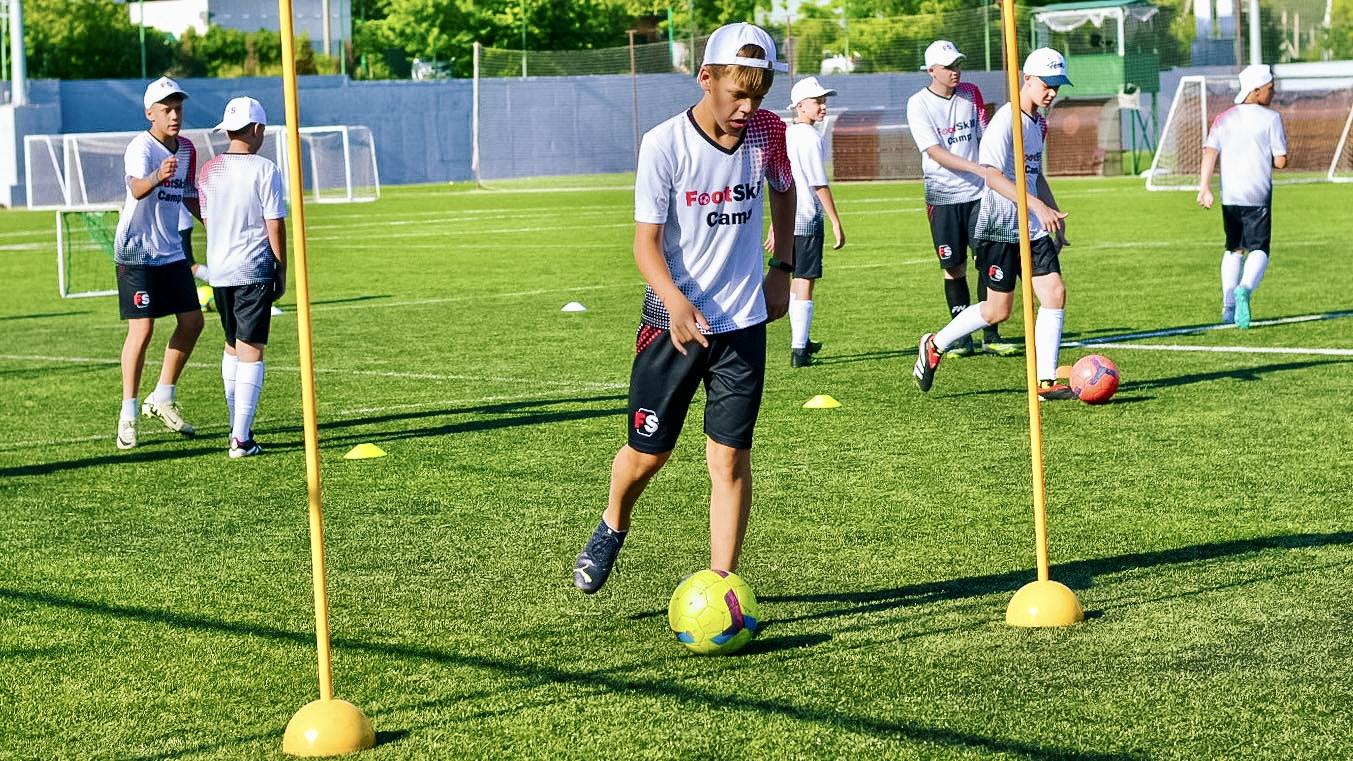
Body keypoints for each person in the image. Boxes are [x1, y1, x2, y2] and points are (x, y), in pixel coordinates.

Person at [572, 22, 795, 593]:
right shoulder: (664, 143)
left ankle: (723, 584)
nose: (748, 108)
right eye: (738, 94)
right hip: (671, 325)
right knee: (649, 455)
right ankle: (612, 523)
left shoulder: (770, 132)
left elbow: (784, 188)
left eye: (759, 95)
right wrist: (673, 300)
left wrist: (782, 268)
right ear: (706, 77)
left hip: (742, 324)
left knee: (729, 459)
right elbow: (645, 244)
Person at [913, 48, 1076, 400]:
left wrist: (1052, 211)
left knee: (1055, 293)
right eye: (1047, 85)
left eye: (1058, 86)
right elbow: (992, 176)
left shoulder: (1039, 123)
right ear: (1027, 79)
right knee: (997, 310)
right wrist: (1036, 205)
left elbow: (1034, 174)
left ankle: (1045, 381)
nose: (1052, 93)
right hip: (1000, 227)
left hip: (1032, 227)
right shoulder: (1007, 120)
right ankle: (935, 344)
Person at [906, 40, 1017, 357]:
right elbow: (934, 151)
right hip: (943, 196)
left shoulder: (971, 94)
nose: (956, 71)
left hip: (980, 194)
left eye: (957, 64)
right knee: (953, 266)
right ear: (931, 70)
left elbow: (987, 134)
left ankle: (990, 334)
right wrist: (977, 168)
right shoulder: (918, 103)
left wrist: (993, 171)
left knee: (988, 260)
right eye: (948, 66)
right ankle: (961, 337)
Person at [113, 76, 205, 449]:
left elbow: (188, 195)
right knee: (143, 330)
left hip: (170, 251)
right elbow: (137, 188)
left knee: (193, 322)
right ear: (150, 113)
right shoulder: (141, 147)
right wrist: (156, 175)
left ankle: (162, 396)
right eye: (167, 109)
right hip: (136, 251)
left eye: (178, 108)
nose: (175, 115)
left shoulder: (187, 149)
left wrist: (214, 222)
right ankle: (128, 414)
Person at [197, 97, 288, 459]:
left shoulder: (209, 169)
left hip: (219, 271)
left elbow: (208, 219)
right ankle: (241, 438)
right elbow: (274, 224)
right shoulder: (265, 169)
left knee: (232, 345)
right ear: (258, 129)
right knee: (251, 348)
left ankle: (238, 428)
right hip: (252, 267)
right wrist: (281, 269)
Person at [1197, 64, 1287, 330]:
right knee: (1259, 248)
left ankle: (1228, 306)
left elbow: (1210, 152)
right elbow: (1280, 161)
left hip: (1230, 196)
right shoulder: (1271, 119)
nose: (1273, 93)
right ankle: (1245, 288)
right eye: (1270, 88)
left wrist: (1204, 187)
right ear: (1256, 90)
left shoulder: (1224, 118)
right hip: (1258, 196)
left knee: (1233, 248)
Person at [779, 75, 845, 368]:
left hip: (788, 219)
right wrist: (835, 221)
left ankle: (801, 340)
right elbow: (819, 183)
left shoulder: (788, 134)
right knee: (805, 279)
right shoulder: (809, 137)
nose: (823, 106)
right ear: (800, 106)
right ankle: (799, 350)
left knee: (797, 280)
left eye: (824, 101)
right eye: (817, 101)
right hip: (806, 218)